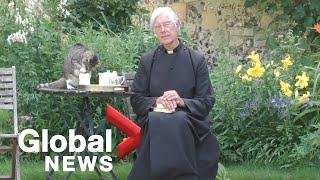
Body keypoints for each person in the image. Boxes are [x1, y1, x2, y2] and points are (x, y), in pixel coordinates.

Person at [128, 7, 219, 180]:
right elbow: (137, 99)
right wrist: (157, 101)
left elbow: (207, 100)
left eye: (167, 24)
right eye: (158, 26)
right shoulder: (147, 61)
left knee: (178, 120)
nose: (163, 29)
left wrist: (181, 102)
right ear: (154, 31)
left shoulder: (196, 60)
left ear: (177, 25)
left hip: (189, 120)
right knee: (162, 121)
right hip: (154, 117)